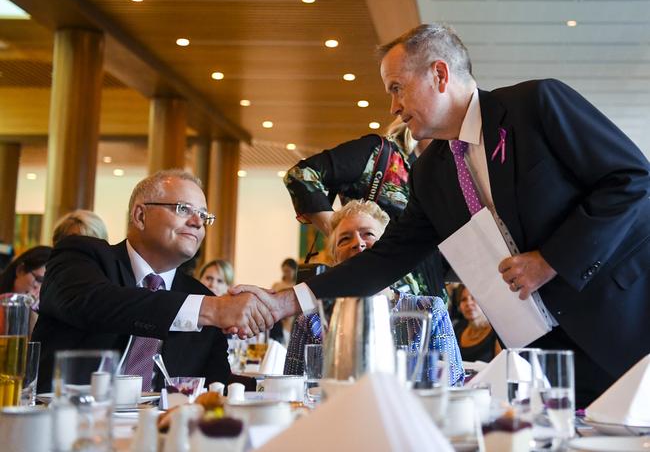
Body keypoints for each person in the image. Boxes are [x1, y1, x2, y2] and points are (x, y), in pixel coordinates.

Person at [232, 24, 650, 408]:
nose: (393, 107)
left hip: (626, 322)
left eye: (397, 88)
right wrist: (285, 300)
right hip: (551, 357)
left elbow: (631, 180)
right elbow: (386, 257)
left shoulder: (535, 105)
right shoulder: (433, 172)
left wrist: (551, 260)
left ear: (440, 74)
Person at [33, 169, 275, 392]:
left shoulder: (201, 297)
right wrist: (212, 309)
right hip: (71, 423)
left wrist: (270, 391)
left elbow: (216, 386)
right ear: (140, 215)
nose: (197, 222)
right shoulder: (83, 256)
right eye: (183, 209)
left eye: (203, 215)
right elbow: (95, 302)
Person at [283, 200, 463, 386]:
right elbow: (290, 388)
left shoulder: (428, 311)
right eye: (345, 239)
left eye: (368, 234)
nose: (358, 243)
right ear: (334, 257)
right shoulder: (311, 321)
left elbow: (453, 384)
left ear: (388, 249)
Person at [284, 120, 444, 298]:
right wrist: (338, 232)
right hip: (377, 292)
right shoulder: (380, 153)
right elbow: (301, 175)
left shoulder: (432, 172)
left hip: (428, 293)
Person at [453, 285, 501, 363]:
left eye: (473, 297)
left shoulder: (498, 332)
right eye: (463, 299)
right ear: (459, 306)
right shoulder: (457, 328)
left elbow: (501, 368)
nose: (468, 303)